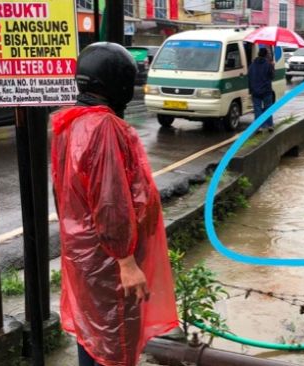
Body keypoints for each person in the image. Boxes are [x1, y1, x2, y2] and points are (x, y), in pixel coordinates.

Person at [50, 42, 179, 366]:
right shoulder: (104, 127)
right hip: (110, 265)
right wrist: (125, 262)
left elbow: (63, 194)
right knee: (116, 342)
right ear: (117, 84)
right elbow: (112, 202)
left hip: (85, 261)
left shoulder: (69, 123)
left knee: (92, 336)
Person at [248, 47, 275, 132]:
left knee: (257, 108)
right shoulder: (268, 64)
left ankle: (259, 127)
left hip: (255, 91)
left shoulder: (252, 65)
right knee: (268, 108)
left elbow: (249, 77)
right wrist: (273, 66)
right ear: (266, 55)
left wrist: (251, 90)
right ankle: (269, 125)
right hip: (266, 90)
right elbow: (272, 77)